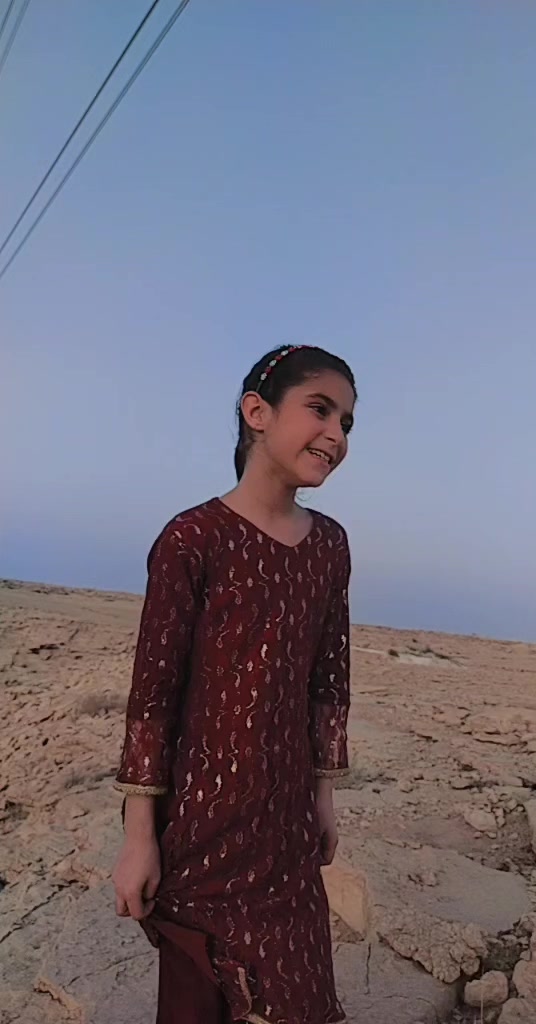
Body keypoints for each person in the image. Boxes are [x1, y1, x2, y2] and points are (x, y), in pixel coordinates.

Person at [112, 344, 357, 1024]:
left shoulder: (330, 546)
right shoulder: (192, 539)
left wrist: (323, 798)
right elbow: (152, 700)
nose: (336, 435)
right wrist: (139, 838)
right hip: (200, 833)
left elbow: (328, 684)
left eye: (346, 423)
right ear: (257, 412)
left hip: (286, 833)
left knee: (302, 1001)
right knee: (203, 1001)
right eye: (319, 409)